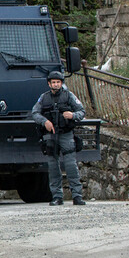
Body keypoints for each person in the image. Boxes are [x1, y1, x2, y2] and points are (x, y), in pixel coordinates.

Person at [31, 70, 87, 206]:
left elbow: (81, 111)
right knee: (53, 167)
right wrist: (45, 122)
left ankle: (77, 196)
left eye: (58, 82)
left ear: (61, 83)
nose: (56, 85)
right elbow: (35, 112)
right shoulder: (44, 98)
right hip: (50, 136)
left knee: (71, 166)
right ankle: (57, 196)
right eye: (53, 82)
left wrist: (72, 116)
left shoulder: (69, 96)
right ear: (49, 84)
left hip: (66, 134)